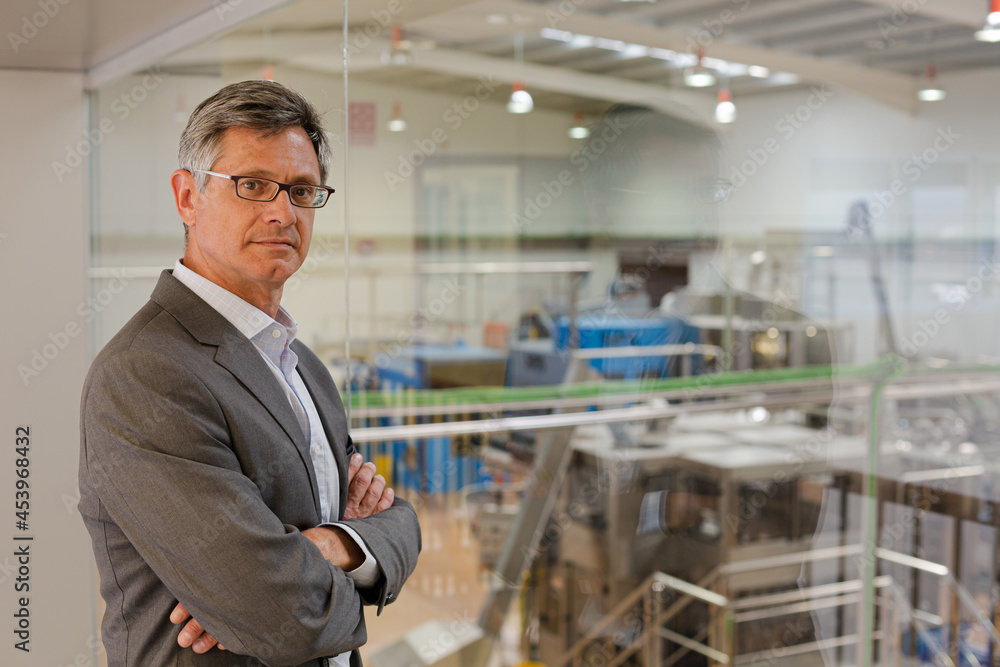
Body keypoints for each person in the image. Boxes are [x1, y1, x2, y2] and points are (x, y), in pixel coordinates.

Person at [78, 80, 421, 667]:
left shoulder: (302, 366)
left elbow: (402, 523)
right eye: (253, 185)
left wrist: (328, 545)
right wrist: (330, 565)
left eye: (302, 190)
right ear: (187, 197)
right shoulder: (146, 373)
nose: (283, 212)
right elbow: (283, 617)